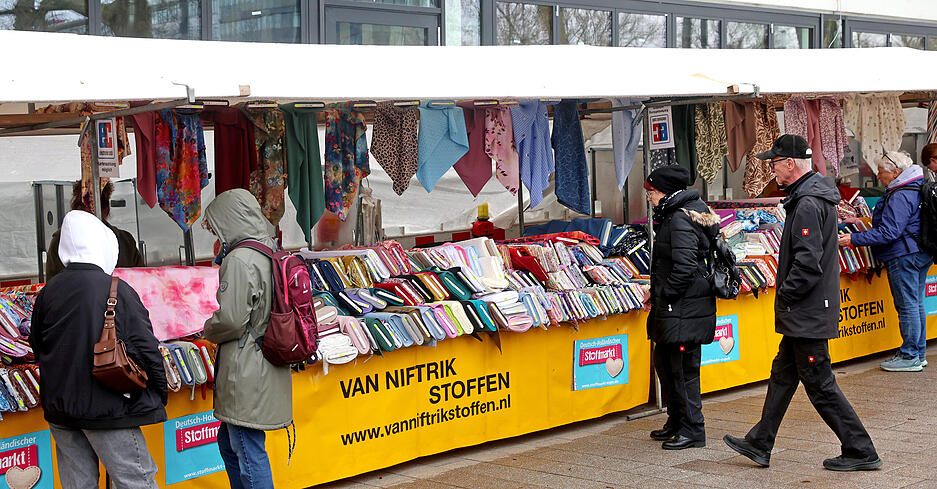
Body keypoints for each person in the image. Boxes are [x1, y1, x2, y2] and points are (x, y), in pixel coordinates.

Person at [723, 135, 881, 472]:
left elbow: (807, 264)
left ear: (791, 163)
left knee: (820, 382)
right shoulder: (811, 197)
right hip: (807, 310)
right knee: (782, 374)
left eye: (775, 162)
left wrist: (786, 296)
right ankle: (760, 442)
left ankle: (860, 449)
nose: (772, 169)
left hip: (806, 311)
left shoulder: (808, 202)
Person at [29, 210, 167, 488]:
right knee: (136, 480)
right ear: (102, 244)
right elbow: (146, 347)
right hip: (108, 407)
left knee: (78, 484)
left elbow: (37, 344)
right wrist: (160, 390)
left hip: (61, 408)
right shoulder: (117, 289)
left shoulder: (48, 292)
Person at [202, 189, 292, 489]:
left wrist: (207, 329)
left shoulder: (239, 259)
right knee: (231, 442)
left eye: (216, 226)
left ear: (229, 220)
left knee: (246, 448)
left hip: (246, 368)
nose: (215, 234)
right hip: (265, 360)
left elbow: (231, 319)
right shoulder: (269, 248)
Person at [644, 165, 720, 450]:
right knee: (665, 362)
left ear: (663, 190)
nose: (649, 197)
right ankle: (676, 421)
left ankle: (693, 430)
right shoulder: (685, 212)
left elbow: (685, 267)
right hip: (679, 306)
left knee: (684, 369)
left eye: (651, 191)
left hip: (683, 307)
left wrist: (664, 293)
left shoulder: (679, 218)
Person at [839, 151, 930, 372]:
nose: (878, 177)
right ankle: (918, 353)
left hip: (904, 254)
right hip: (919, 252)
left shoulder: (900, 194)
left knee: (907, 305)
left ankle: (909, 356)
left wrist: (853, 238)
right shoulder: (915, 186)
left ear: (896, 172)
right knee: (916, 303)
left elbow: (889, 232)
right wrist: (862, 221)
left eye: (881, 172)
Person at [46, 181, 145, 281]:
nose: (89, 213)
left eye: (94, 208)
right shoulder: (60, 240)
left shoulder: (125, 240)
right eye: (86, 207)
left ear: (105, 210)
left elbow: (142, 279)